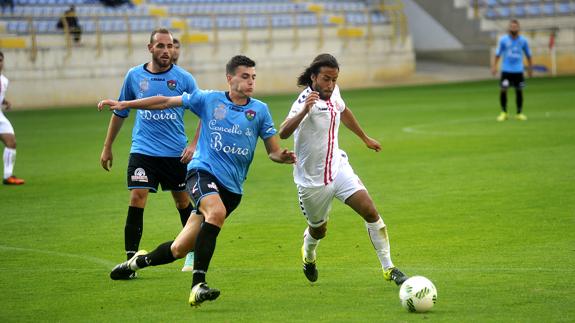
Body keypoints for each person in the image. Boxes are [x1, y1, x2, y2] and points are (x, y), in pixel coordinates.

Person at [98, 55, 296, 306]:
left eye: (253, 77)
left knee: (179, 249)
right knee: (216, 212)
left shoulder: (259, 110)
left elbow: (273, 151)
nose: (250, 82)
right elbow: (165, 101)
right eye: (245, 76)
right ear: (229, 78)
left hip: (232, 188)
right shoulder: (208, 99)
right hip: (201, 173)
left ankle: (135, 263)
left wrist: (283, 156)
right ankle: (198, 285)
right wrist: (125, 103)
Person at [278, 53, 408, 286]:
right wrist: (304, 111)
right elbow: (283, 132)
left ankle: (389, 267)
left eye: (334, 79)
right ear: (313, 77)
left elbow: (343, 110)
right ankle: (308, 255)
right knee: (319, 231)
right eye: (326, 79)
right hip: (313, 182)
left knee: (370, 211)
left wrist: (364, 137)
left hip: (338, 167)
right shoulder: (303, 102)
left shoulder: (333, 93)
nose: (330, 85)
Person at [100, 28, 196, 276]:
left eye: (170, 46)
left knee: (182, 201)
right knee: (137, 197)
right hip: (143, 150)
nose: (167, 51)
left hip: (175, 152)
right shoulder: (134, 76)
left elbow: (204, 112)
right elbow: (121, 111)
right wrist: (107, 146)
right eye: (161, 46)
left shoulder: (184, 78)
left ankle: (193, 252)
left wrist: (194, 144)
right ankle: (130, 261)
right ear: (150, 48)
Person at [491, 19, 532, 122]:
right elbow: (498, 53)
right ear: (509, 28)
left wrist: (530, 68)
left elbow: (528, 55)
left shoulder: (523, 41)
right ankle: (504, 112)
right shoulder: (503, 40)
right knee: (503, 90)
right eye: (512, 26)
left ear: (518, 28)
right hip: (506, 70)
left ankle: (519, 113)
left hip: (519, 71)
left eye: (515, 26)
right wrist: (494, 66)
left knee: (519, 90)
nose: (513, 28)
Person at [0, 52, 24, 185]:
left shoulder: (4, 80)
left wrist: (5, 102)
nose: (0, 63)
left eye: (1, 60)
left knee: (11, 142)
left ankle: (8, 176)